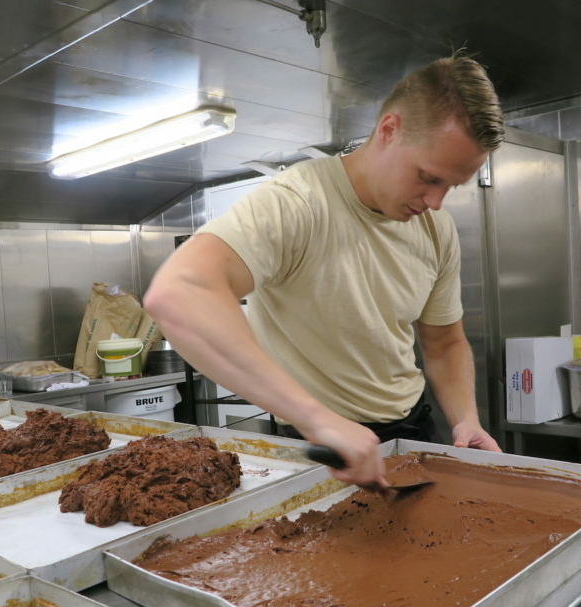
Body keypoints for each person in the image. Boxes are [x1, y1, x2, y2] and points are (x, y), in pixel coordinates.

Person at [144, 52, 504, 488]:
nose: (436, 201)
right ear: (389, 130)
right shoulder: (298, 202)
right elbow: (179, 293)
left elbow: (444, 342)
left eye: (451, 186)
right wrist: (317, 420)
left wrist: (465, 419)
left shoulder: (436, 229)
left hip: (412, 432)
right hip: (317, 446)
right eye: (428, 178)